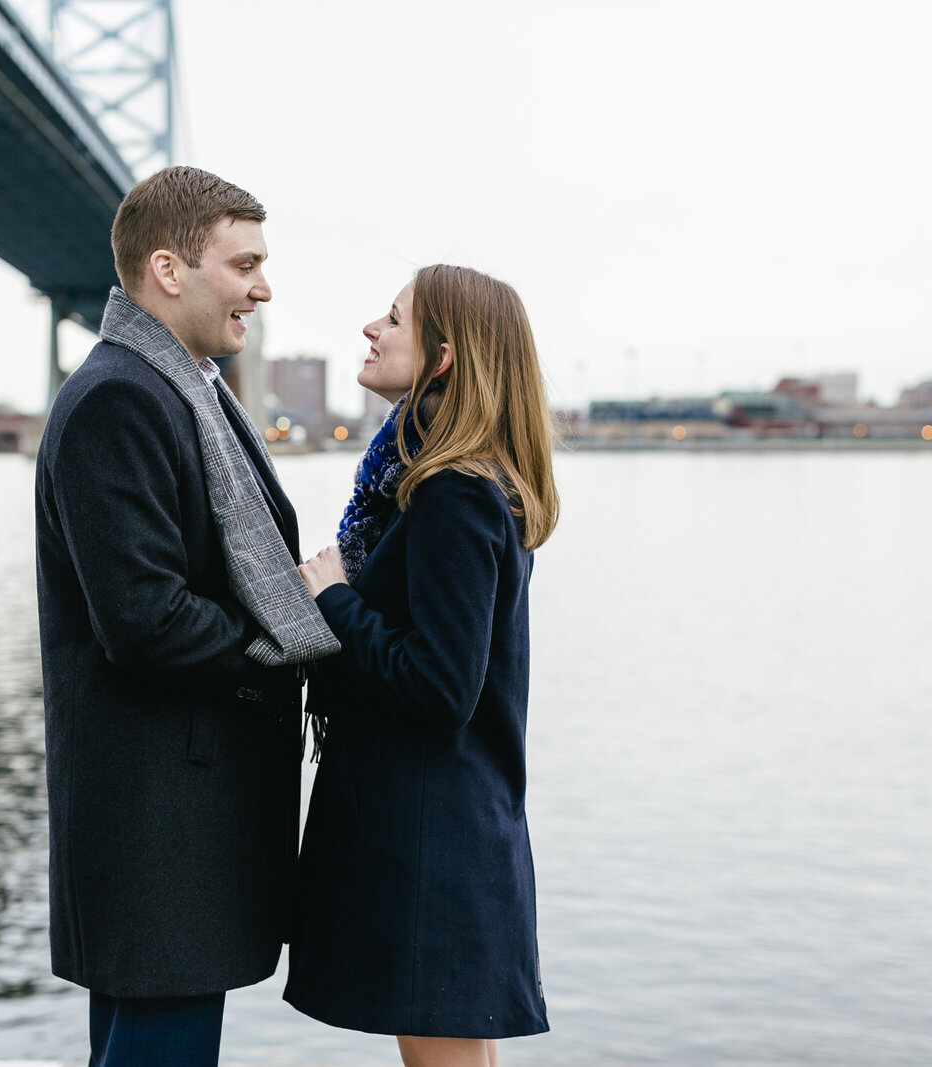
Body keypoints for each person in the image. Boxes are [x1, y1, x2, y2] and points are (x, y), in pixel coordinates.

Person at [34, 166, 339, 1067]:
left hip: (176, 815)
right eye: (243, 263)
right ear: (169, 269)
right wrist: (285, 644)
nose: (263, 286)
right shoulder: (123, 397)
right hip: (156, 822)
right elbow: (145, 619)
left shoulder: (185, 385)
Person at [285, 265, 560, 1067]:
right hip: (449, 829)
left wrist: (333, 595)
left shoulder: (453, 494)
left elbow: (442, 687)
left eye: (394, 319)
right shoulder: (449, 483)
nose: (372, 328)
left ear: (442, 357)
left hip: (433, 843)